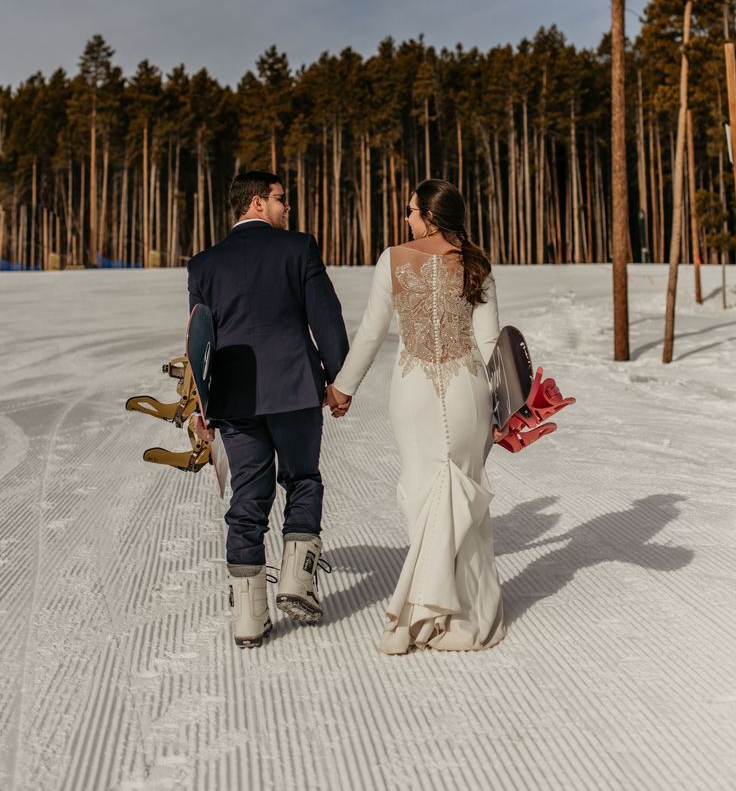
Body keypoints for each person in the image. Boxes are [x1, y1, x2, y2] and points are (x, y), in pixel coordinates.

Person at [328, 179, 506, 655]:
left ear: (429, 214)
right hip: (467, 389)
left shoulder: (392, 258)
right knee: (464, 490)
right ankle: (466, 613)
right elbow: (489, 344)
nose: (406, 219)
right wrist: (501, 406)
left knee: (421, 495)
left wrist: (343, 387)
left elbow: (370, 332)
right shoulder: (477, 264)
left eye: (410, 211)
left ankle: (427, 611)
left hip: (414, 391)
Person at [188, 170, 349, 648]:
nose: (288, 208)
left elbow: (200, 344)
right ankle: (297, 583)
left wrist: (202, 406)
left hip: (233, 399)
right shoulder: (297, 248)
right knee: (302, 479)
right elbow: (326, 315)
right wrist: (339, 379)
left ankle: (248, 617)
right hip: (295, 388)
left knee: (248, 499)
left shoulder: (203, 264)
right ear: (257, 202)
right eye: (282, 200)